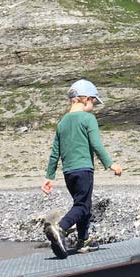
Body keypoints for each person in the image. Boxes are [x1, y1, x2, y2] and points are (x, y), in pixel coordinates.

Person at [41, 79, 123, 258]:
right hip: (84, 169)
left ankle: (82, 240)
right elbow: (96, 144)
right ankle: (60, 228)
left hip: (68, 173)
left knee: (83, 204)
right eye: (94, 101)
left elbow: (55, 152)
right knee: (82, 206)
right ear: (84, 99)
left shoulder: (62, 123)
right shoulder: (88, 119)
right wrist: (110, 164)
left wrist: (49, 177)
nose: (94, 105)